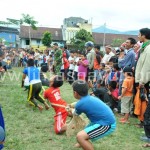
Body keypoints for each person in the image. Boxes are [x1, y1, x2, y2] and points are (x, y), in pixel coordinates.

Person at [72, 80, 116, 150]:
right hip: (104, 121)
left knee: (80, 136)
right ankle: (81, 143)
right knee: (85, 131)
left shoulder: (80, 104)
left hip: (106, 124)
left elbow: (74, 114)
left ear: (75, 93)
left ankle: (82, 141)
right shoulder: (90, 97)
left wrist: (70, 110)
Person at [135, 28, 150, 146]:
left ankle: (149, 136)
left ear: (144, 35)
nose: (138, 36)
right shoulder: (145, 47)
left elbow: (147, 66)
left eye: (139, 34)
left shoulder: (149, 48)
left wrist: (142, 81)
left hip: (146, 81)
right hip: (145, 80)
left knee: (148, 112)